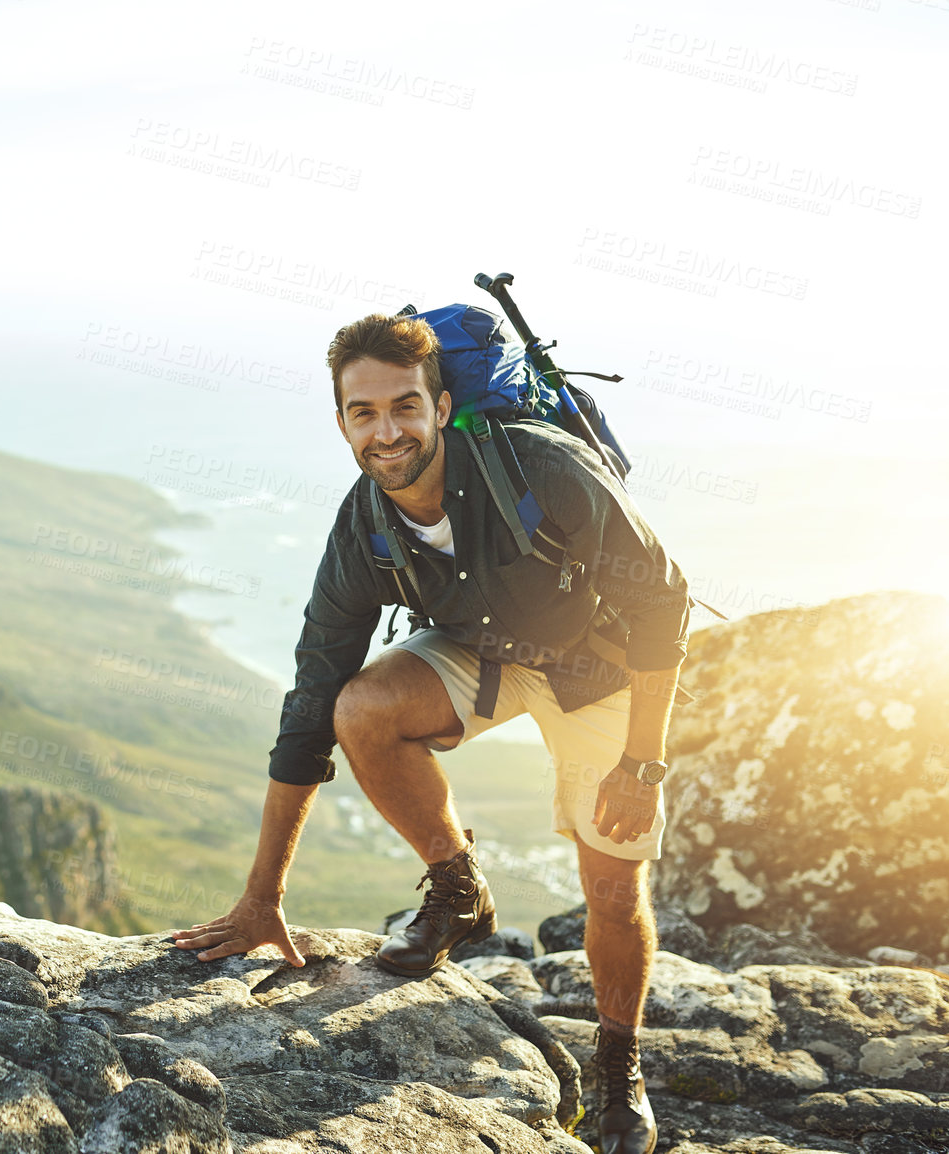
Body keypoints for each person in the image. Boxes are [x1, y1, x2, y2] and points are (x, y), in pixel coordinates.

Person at [171, 311, 689, 1154]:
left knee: (612, 885)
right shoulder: (363, 527)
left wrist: (643, 761)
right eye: (364, 412)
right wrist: (262, 898)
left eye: (405, 406)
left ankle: (617, 1066)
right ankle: (459, 888)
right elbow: (312, 703)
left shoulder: (545, 469)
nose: (387, 431)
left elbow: (662, 602)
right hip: (483, 647)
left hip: (598, 668)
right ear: (340, 421)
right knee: (360, 710)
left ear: (442, 406)